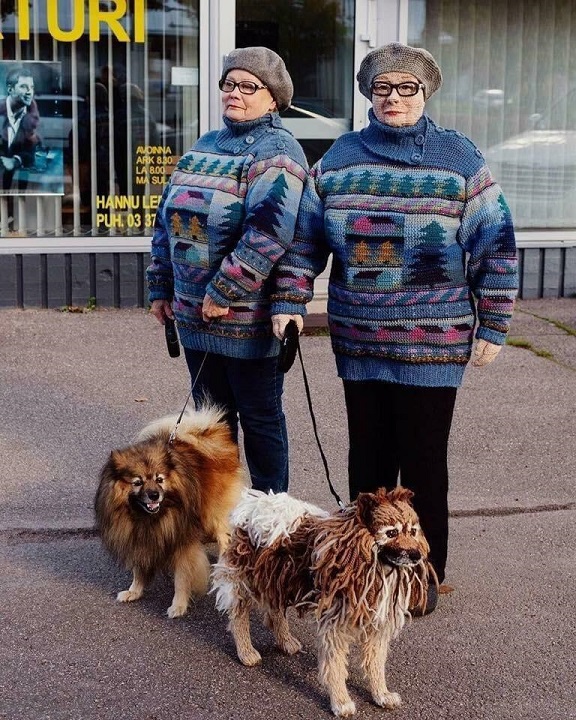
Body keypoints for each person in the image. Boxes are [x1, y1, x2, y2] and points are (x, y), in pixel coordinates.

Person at [270, 43, 518, 612]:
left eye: (406, 88)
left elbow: (495, 246)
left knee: (425, 462)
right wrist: (289, 296)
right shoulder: (340, 157)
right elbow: (306, 239)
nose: (394, 98)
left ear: (425, 94)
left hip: (435, 344)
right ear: (369, 95)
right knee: (369, 462)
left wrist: (494, 324)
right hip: (359, 340)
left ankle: (423, 576)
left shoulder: (459, 161)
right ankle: (364, 566)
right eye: (383, 88)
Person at [147, 47, 308, 494]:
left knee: (260, 420)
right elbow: (168, 219)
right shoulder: (205, 145)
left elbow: (269, 232)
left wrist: (223, 291)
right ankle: (223, 514)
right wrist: (161, 285)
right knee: (211, 422)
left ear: (273, 98)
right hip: (195, 314)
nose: (234, 93)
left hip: (245, 318)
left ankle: (269, 515)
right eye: (229, 84)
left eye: (248, 86)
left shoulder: (279, 151)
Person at [0, 66, 41, 193]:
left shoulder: (33, 114)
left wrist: (15, 160)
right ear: (10, 89)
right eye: (23, 86)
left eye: (32, 87)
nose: (30, 92)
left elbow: (33, 150)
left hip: (23, 184)